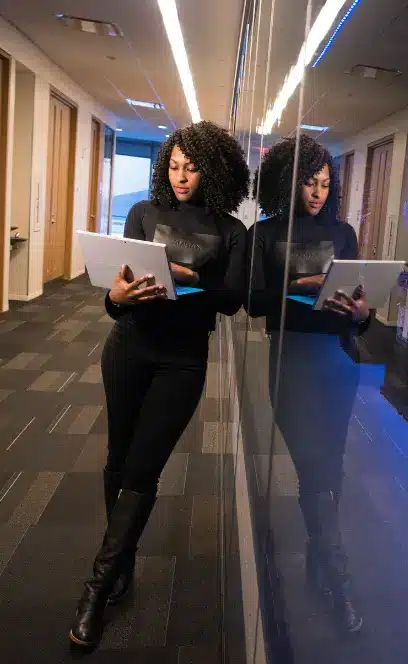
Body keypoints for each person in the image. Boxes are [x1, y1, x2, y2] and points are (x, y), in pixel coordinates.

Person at [69, 121, 250, 648]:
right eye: (173, 166)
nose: (180, 176)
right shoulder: (143, 213)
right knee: (118, 457)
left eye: (191, 168)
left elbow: (232, 300)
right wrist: (116, 298)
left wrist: (191, 278)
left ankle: (97, 588)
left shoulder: (231, 230)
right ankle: (122, 563)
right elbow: (116, 295)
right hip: (129, 346)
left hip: (183, 360)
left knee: (143, 469)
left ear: (212, 170)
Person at [247, 134, 371, 634]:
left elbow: (358, 307)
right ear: (288, 181)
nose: (318, 193)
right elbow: (252, 303)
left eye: (324, 183)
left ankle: (320, 563)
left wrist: (362, 314)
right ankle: (339, 579)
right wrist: (293, 287)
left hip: (338, 360)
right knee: (314, 466)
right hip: (291, 361)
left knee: (328, 467)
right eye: (308, 182)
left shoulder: (343, 233)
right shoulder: (265, 233)